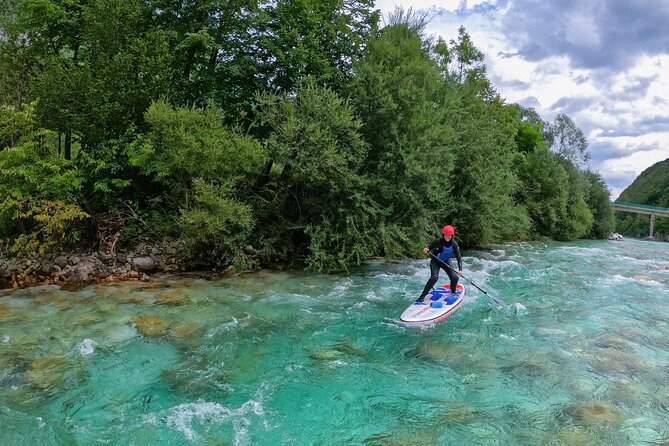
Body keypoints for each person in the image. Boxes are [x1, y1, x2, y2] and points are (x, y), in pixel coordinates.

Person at [416, 225, 462, 302]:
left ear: (452, 236)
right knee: (434, 277)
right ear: (443, 235)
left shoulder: (454, 244)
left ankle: (453, 292)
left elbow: (458, 257)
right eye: (446, 235)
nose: (447, 237)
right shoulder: (438, 242)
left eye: (449, 235)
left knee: (455, 277)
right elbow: (429, 248)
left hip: (446, 261)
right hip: (435, 262)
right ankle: (422, 296)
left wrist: (460, 269)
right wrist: (426, 249)